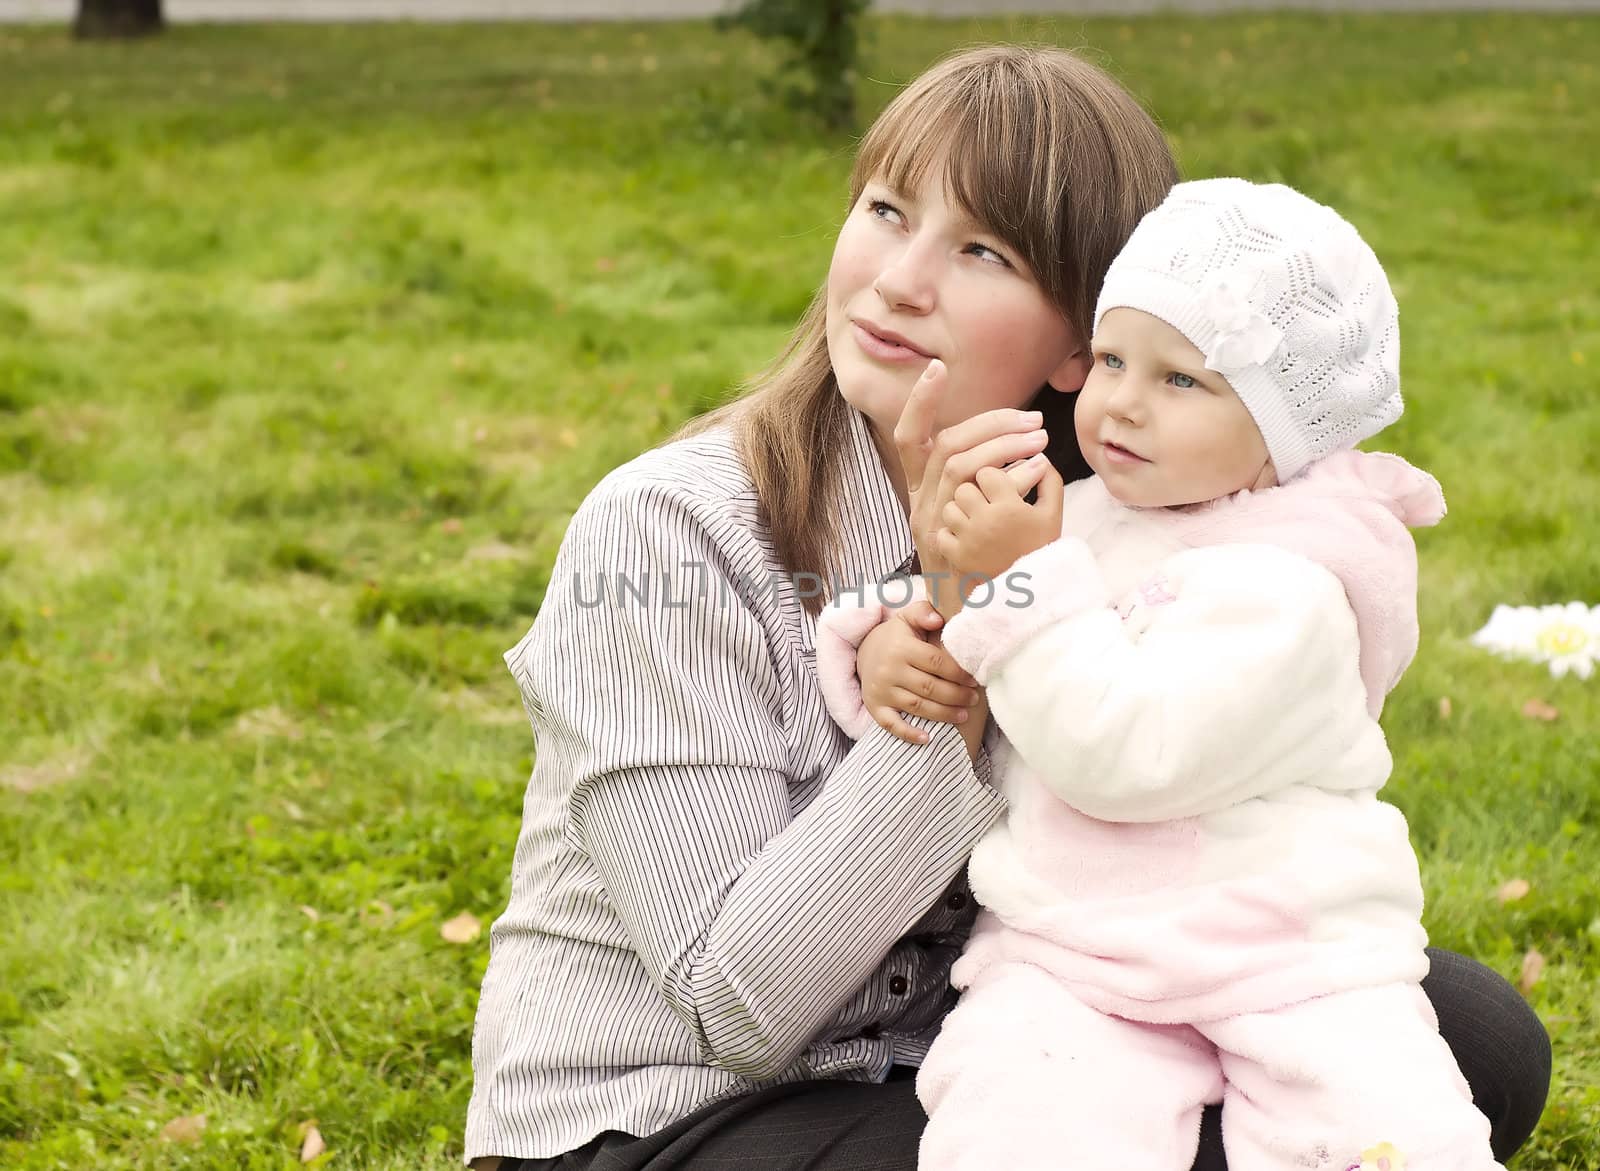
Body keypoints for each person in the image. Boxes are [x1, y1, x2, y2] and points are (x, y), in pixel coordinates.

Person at [463, 47, 1551, 1171]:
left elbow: (1192, 784)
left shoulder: (1120, 528)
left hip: (988, 1032)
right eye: (886, 211)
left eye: (981, 250)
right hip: (671, 1112)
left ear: (1090, 338)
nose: (898, 279)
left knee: (1465, 1038)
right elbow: (736, 1007)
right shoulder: (667, 532)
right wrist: (970, 647)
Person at [816, 177, 1524, 1170]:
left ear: (1287, 435)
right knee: (1016, 1127)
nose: (1121, 405)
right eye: (1111, 359)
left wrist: (1016, 582)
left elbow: (1125, 749)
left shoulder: (1294, 589)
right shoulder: (1094, 514)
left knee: (1385, 1135)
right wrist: (893, 639)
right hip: (1069, 955)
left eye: (1181, 381)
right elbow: (974, 600)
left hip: (1286, 954)